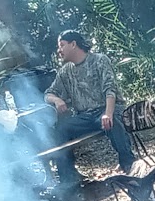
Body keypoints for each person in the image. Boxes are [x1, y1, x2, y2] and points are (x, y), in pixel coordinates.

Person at [41, 30, 134, 189]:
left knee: (113, 122)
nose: (59, 50)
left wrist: (108, 114)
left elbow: (109, 89)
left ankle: (129, 164)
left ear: (73, 44)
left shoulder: (99, 60)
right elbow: (48, 94)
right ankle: (68, 179)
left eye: (62, 45)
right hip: (85, 117)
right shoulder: (65, 71)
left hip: (107, 109)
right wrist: (57, 100)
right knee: (61, 129)